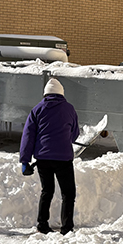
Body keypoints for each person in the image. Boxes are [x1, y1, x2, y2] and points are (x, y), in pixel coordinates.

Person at [20, 78, 80, 234]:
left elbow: (28, 136)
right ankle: (67, 228)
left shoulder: (37, 109)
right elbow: (75, 134)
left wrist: (25, 161)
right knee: (68, 193)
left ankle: (42, 225)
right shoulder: (69, 109)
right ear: (61, 93)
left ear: (45, 94)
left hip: (43, 159)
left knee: (47, 191)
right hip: (64, 159)